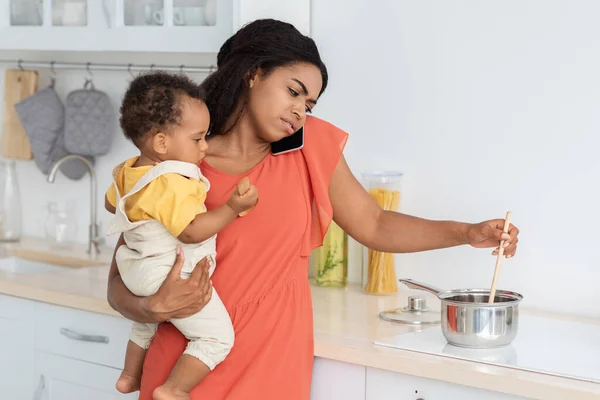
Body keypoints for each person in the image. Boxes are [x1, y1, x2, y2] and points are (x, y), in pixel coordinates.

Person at [106, 19, 520, 400]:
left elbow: (375, 224)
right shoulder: (177, 158)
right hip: (182, 372)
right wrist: (150, 308)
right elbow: (124, 273)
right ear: (253, 74)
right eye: (293, 91)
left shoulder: (310, 148)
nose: (301, 110)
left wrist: (466, 233)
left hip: (273, 366)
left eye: (310, 103)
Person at [104, 71, 258, 400]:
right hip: (164, 271)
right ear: (162, 142)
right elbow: (190, 231)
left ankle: (130, 375)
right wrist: (232, 206)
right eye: (198, 138)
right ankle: (174, 389)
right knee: (217, 338)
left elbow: (110, 204)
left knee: (145, 325)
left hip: (134, 268)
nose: (205, 147)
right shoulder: (172, 180)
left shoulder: (129, 169)